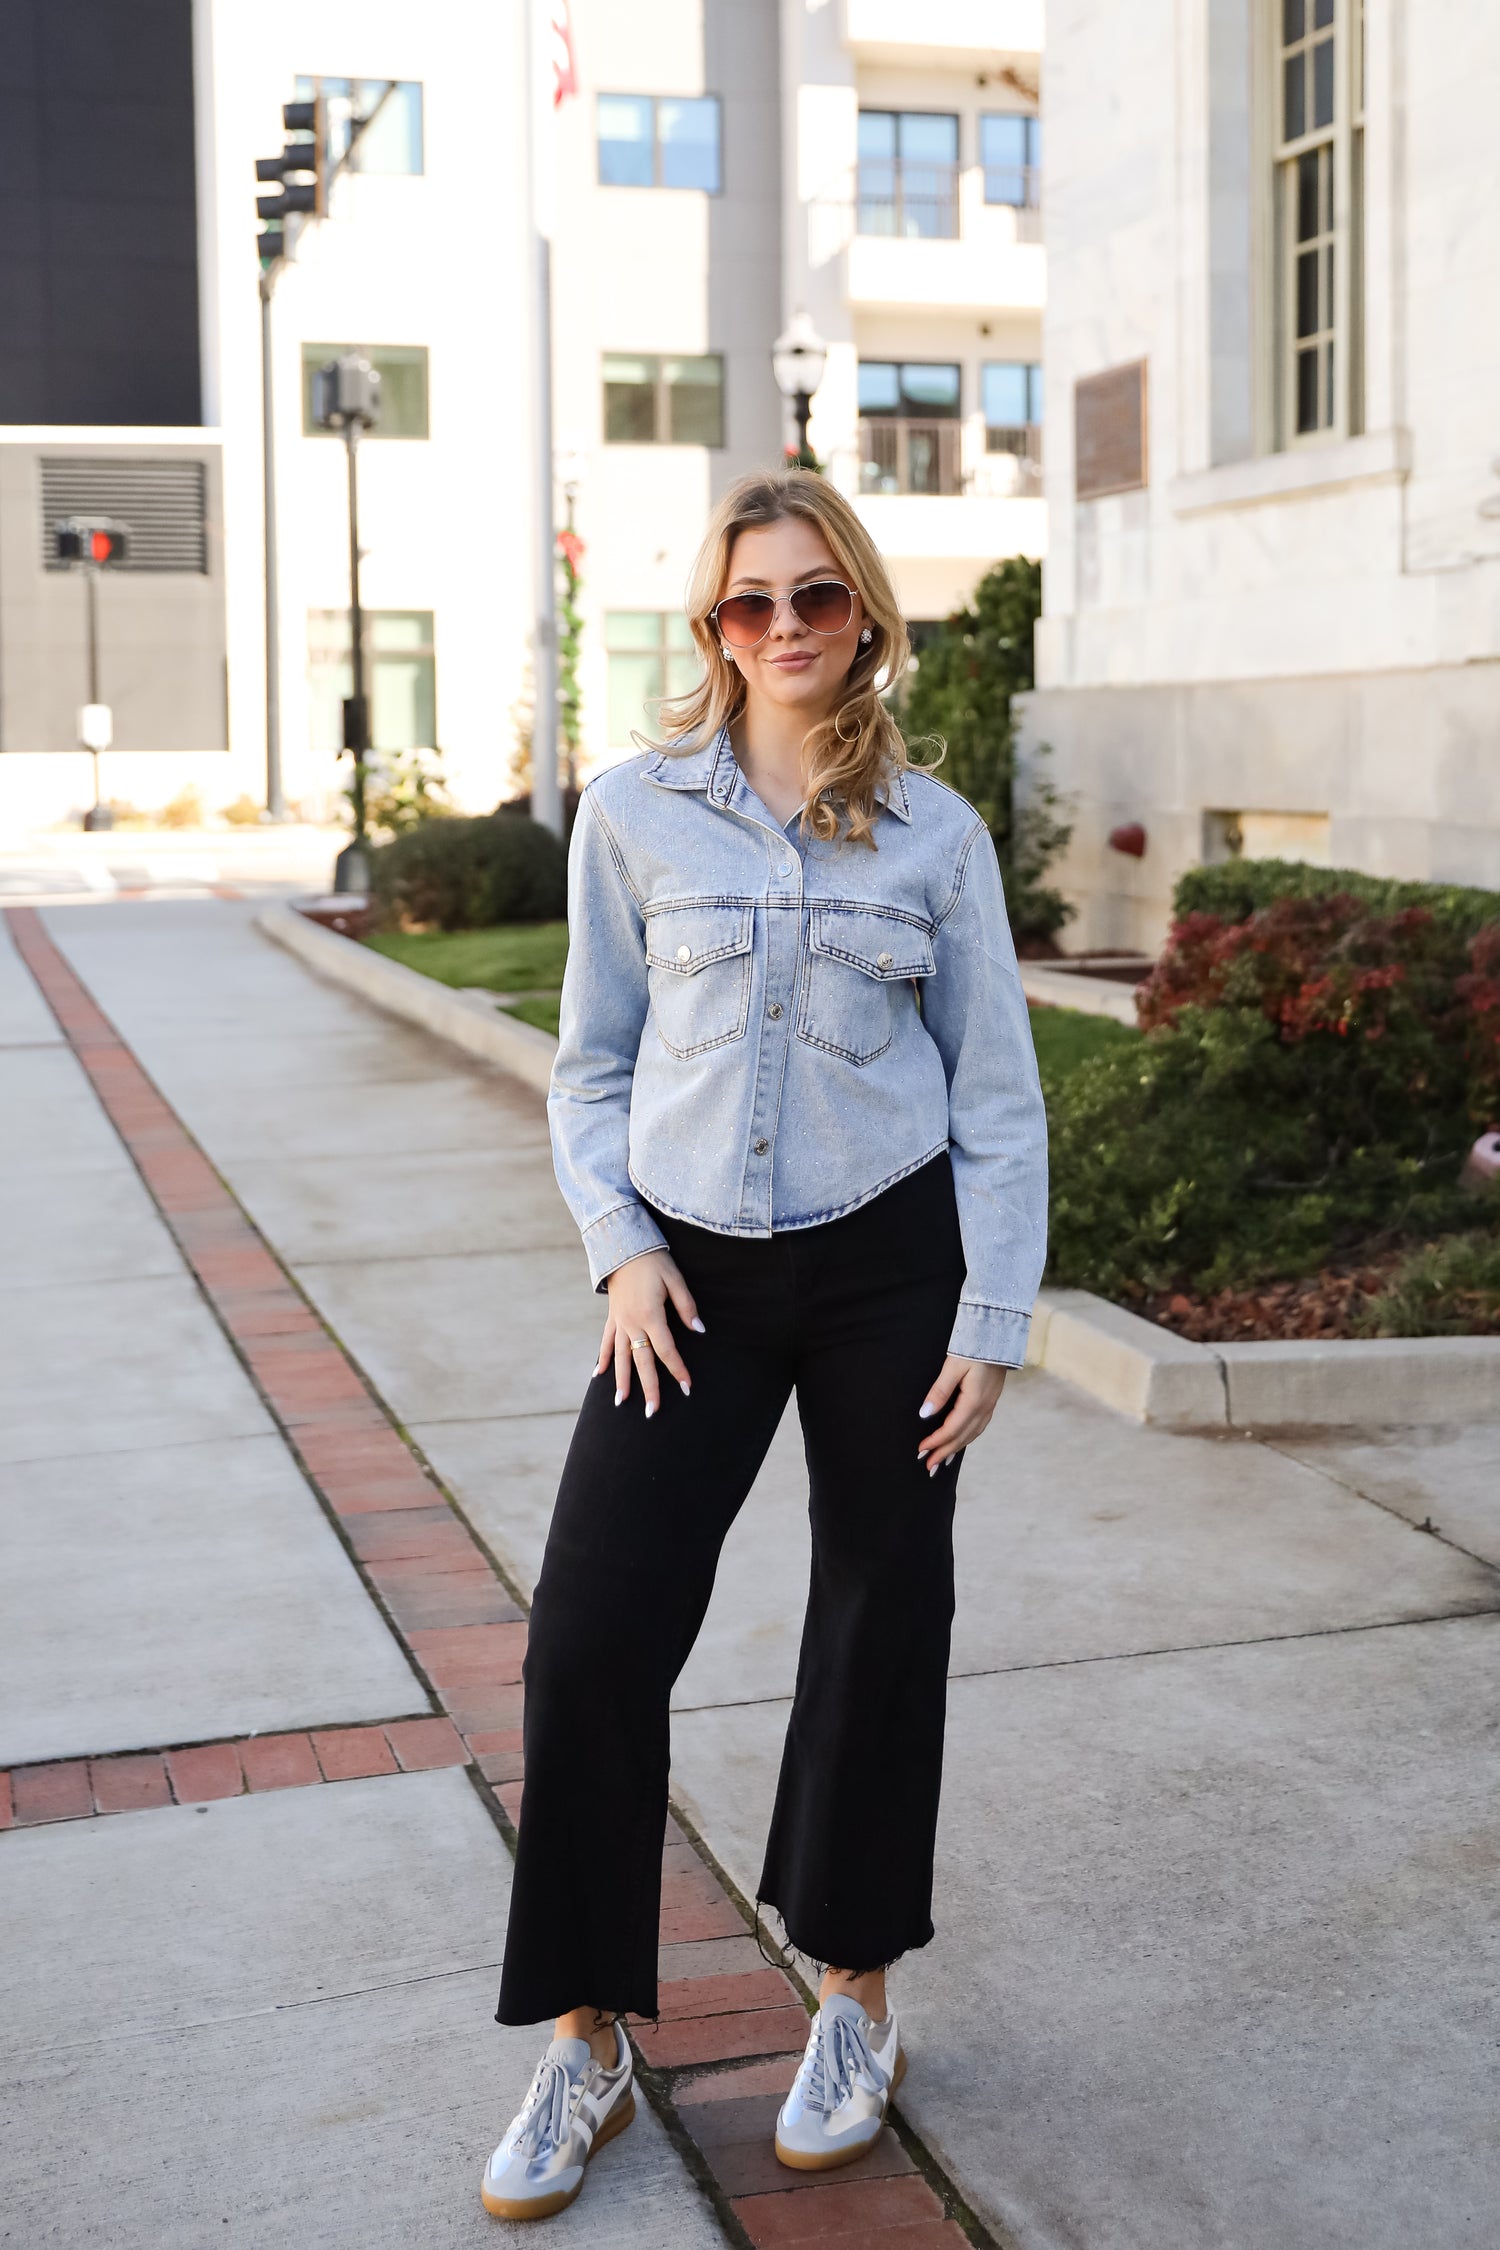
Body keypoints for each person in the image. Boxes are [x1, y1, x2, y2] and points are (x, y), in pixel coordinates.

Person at [481, 468, 1047, 2222]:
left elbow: (999, 1098)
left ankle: (856, 1997)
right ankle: (588, 2037)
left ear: (864, 613)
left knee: (882, 1618)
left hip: (891, 1262)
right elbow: (590, 1062)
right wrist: (618, 1254)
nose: (785, 628)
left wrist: (995, 1316)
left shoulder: (940, 838)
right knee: (590, 1634)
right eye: (750, 604)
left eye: (815, 597)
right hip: (690, 1272)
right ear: (713, 628)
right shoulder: (635, 815)